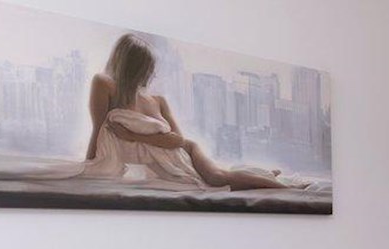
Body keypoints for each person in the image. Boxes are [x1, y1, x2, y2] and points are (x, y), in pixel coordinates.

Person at [84, 34, 295, 191]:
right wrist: (89, 166)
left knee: (217, 178)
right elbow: (98, 130)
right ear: (131, 65)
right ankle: (263, 175)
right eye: (146, 67)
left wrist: (132, 136)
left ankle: (286, 188)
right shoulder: (104, 83)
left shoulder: (157, 100)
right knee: (218, 175)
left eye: (149, 67)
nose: (150, 73)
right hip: (168, 160)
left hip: (187, 150)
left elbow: (178, 140)